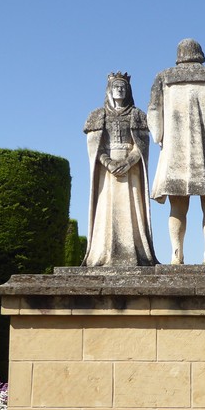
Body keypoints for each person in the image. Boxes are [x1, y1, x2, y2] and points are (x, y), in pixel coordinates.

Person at [148, 39, 205, 264]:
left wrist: (159, 137)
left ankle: (176, 253)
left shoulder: (164, 77)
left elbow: (154, 111)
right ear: (200, 54)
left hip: (175, 150)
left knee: (177, 206)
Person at [82, 72, 157, 266]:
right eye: (116, 87)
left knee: (132, 210)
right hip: (106, 173)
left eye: (123, 87)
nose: (120, 90)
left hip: (130, 171)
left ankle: (135, 252)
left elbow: (142, 145)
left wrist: (129, 161)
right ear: (109, 90)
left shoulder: (137, 115)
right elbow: (94, 147)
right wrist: (108, 162)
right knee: (106, 210)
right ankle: (103, 253)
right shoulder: (98, 116)